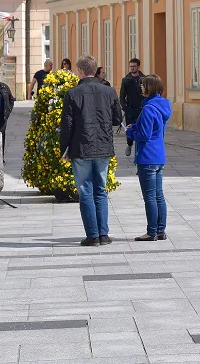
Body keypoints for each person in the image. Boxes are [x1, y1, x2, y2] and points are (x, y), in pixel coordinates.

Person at [59, 54, 124, 246]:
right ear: (95, 71)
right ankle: (103, 234)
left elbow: (67, 125)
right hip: (103, 146)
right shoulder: (109, 91)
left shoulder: (73, 94)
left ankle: (93, 235)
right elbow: (117, 119)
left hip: (81, 147)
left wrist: (65, 149)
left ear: (79, 70)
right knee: (100, 190)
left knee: (86, 191)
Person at [126, 74, 171, 240]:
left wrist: (130, 131)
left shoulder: (148, 108)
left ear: (149, 88)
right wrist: (137, 125)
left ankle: (151, 231)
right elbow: (155, 127)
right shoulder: (162, 105)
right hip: (159, 155)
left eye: (143, 86)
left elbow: (144, 135)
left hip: (147, 157)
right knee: (159, 195)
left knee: (150, 197)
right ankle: (160, 230)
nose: (141, 88)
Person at [120, 58, 145, 157]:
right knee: (129, 129)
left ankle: (139, 150)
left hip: (141, 109)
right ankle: (129, 145)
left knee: (141, 129)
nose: (132, 68)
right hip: (130, 109)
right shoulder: (126, 80)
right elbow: (122, 95)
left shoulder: (143, 79)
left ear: (138, 67)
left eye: (134, 66)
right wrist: (124, 107)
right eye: (130, 66)